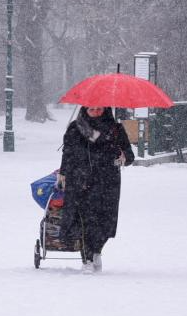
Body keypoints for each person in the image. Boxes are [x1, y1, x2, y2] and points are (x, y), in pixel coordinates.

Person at [56, 105, 134, 273]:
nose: (96, 112)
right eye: (92, 109)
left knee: (105, 222)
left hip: (108, 183)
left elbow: (130, 156)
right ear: (85, 110)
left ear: (106, 110)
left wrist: (122, 155)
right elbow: (67, 153)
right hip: (80, 181)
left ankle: (97, 250)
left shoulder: (115, 130)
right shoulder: (75, 128)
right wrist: (63, 173)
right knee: (85, 220)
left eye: (100, 109)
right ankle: (88, 258)